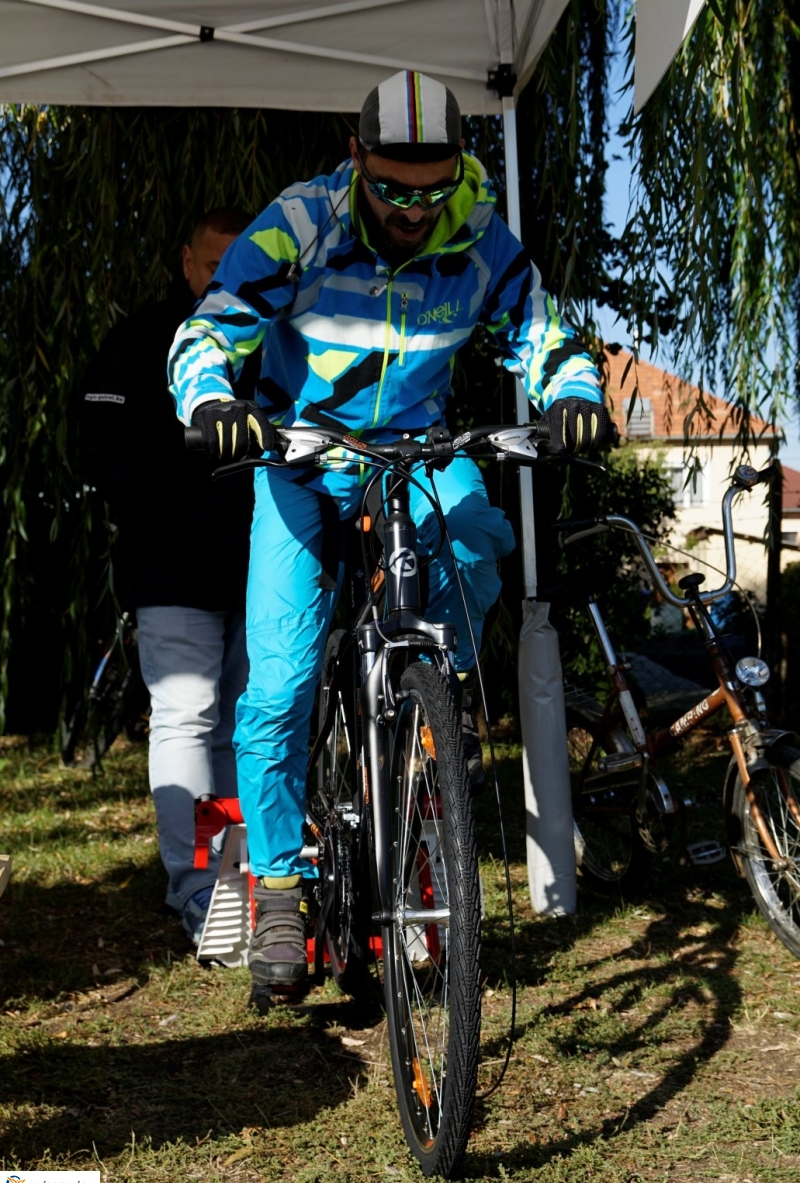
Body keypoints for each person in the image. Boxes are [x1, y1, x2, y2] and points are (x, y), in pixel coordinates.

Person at [168, 71, 612, 991]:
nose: (414, 210)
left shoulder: (480, 236)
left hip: (415, 445)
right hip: (299, 451)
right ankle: (280, 889)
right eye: (393, 190)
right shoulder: (302, 222)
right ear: (357, 157)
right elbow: (208, 331)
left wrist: (574, 392)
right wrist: (211, 397)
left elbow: (546, 333)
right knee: (281, 681)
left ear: (460, 170)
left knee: (479, 538)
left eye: (434, 189)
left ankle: (421, 711)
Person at [81, 208, 258, 945]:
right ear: (187, 263)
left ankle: (241, 879)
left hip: (259, 564)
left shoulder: (267, 336)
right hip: (172, 566)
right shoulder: (138, 342)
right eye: (212, 266)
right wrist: (162, 510)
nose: (222, 280)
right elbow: (96, 444)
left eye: (235, 267)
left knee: (247, 727)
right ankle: (196, 894)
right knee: (187, 717)